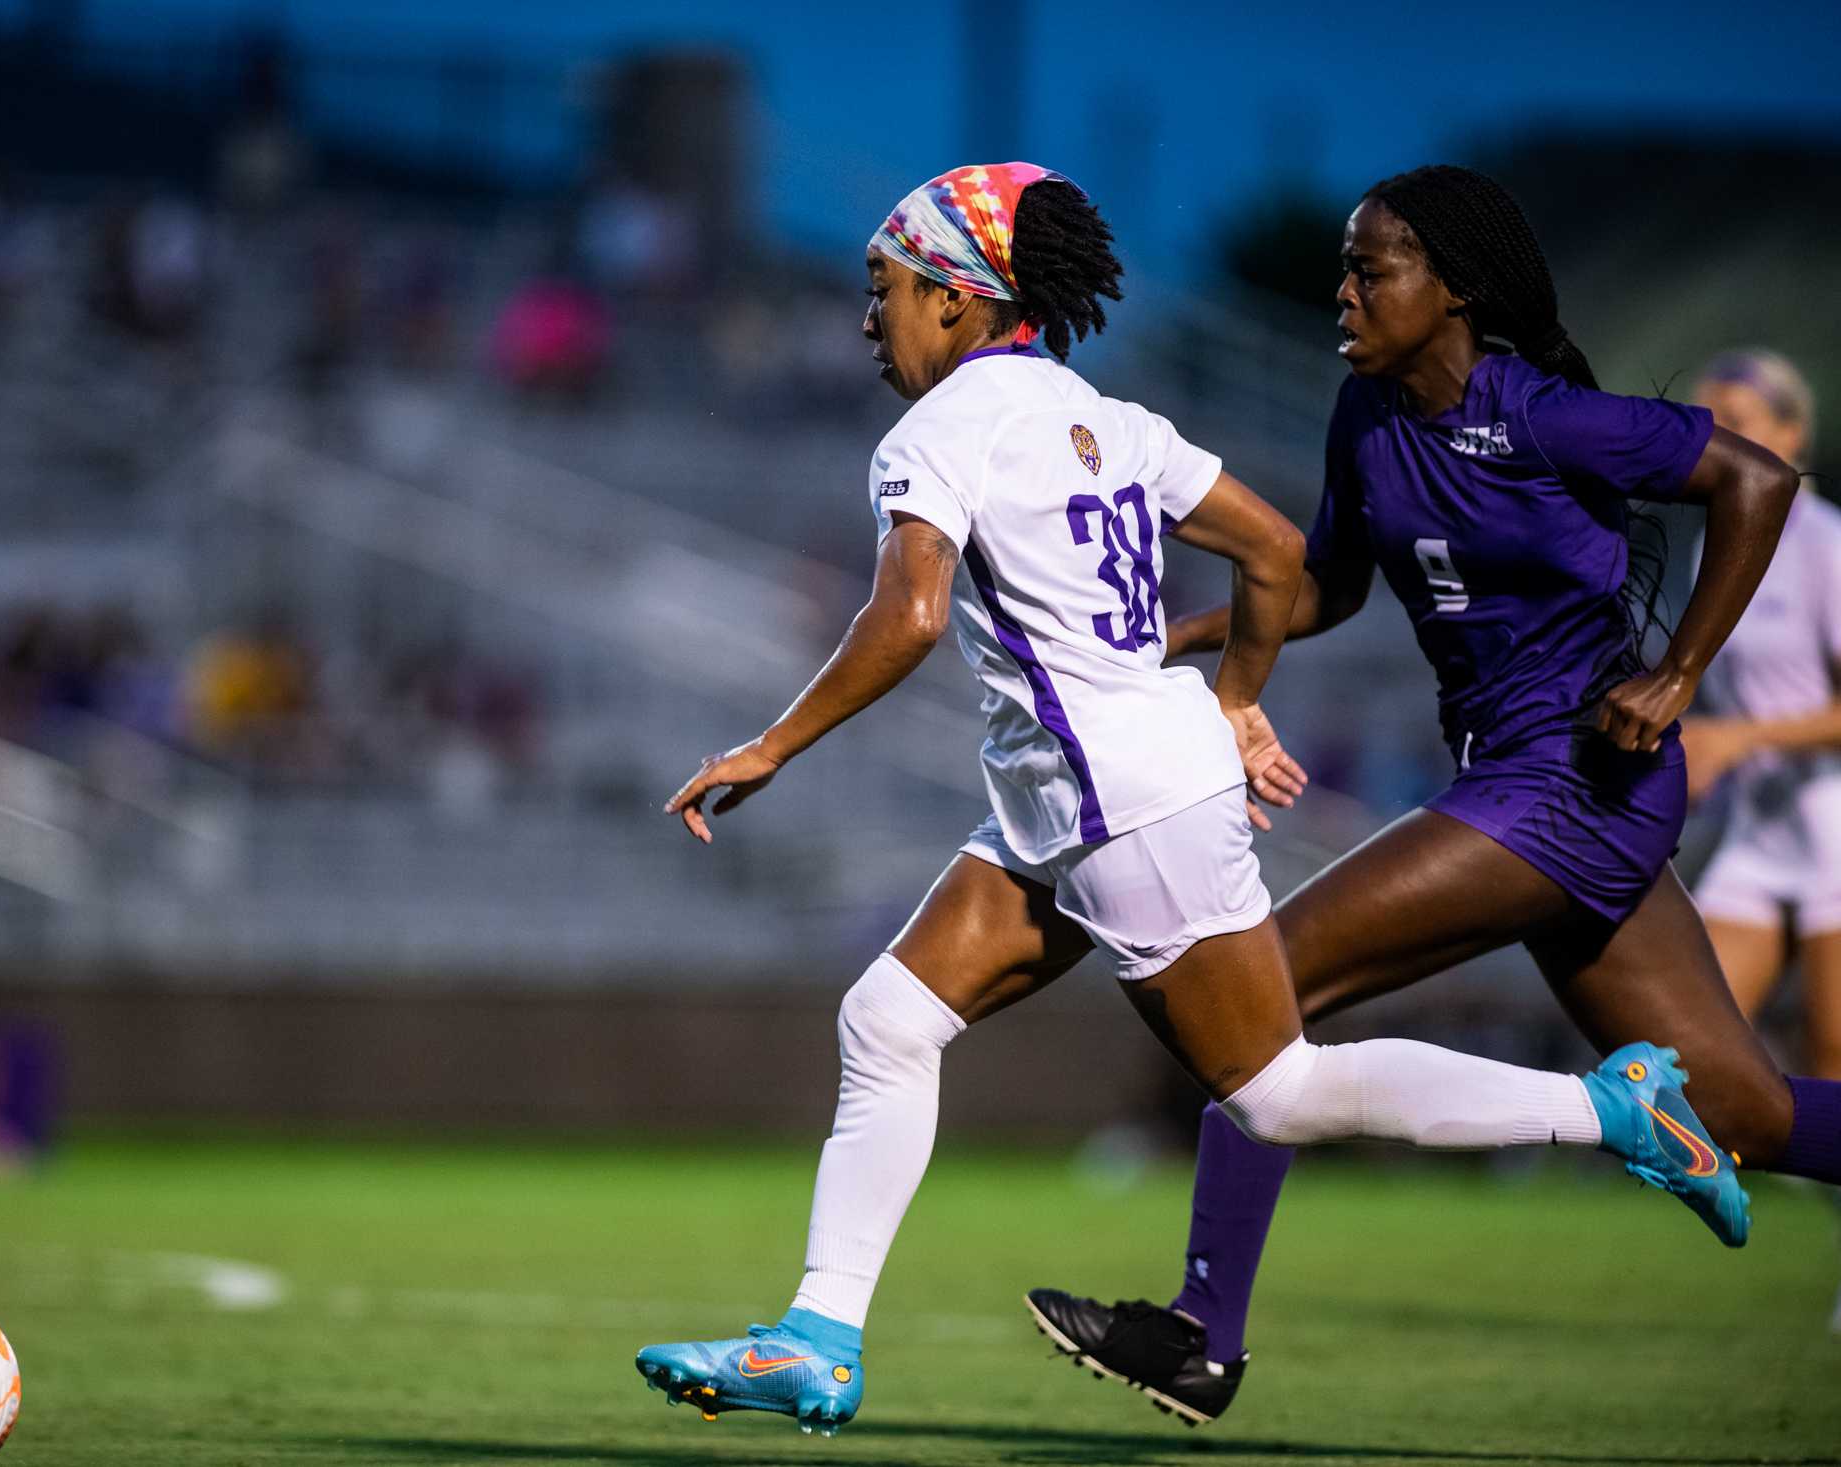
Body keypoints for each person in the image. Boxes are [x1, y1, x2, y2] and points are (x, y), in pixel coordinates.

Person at [630, 162, 1749, 1439]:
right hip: (1082, 800)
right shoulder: (1099, 412)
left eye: (881, 290)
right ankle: (816, 1339)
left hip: (1116, 803)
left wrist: (774, 744)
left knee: (1272, 1091)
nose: (867, 320)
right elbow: (1276, 553)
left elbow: (911, 614)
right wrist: (1233, 701)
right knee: (885, 1020)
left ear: (953, 298)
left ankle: (1610, 1109)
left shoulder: (935, 434)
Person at [1025, 165, 1818, 1428]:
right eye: (1343, 267)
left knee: (1266, 984)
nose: (1342, 292)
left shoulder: (1547, 418)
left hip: (1576, 779)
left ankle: (1199, 1339)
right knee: (1749, 1111)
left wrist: (1677, 676)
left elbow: (1756, 482)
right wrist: (1184, 637)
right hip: (1518, 789)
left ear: (1454, 291)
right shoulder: (1366, 416)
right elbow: (1331, 587)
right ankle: (1654, 1127)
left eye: (1369, 269)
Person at [1675, 349, 1841, 1331]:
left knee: (1832, 1056)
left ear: (1787, 436)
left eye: (1735, 416)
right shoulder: (1716, 540)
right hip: (1759, 832)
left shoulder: (1821, 540)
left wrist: (1741, 736)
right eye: (1706, 419)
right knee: (1690, 1053)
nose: (1715, 436)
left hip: (1833, 822)